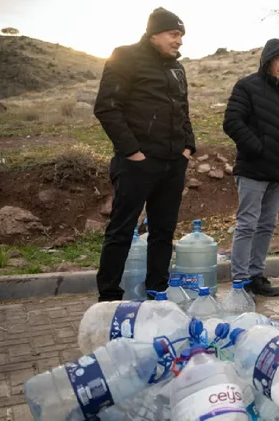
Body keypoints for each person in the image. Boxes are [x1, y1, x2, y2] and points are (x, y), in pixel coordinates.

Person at [93, 7, 194, 301]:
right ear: (154, 34)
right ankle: (109, 297)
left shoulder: (177, 67)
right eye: (174, 34)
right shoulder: (125, 57)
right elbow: (107, 107)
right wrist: (133, 152)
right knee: (121, 230)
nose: (179, 41)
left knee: (163, 233)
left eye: (181, 35)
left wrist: (188, 147)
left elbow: (182, 110)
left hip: (173, 162)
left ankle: (157, 292)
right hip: (138, 164)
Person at [222, 38, 279, 297]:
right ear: (268, 60)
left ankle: (256, 276)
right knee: (247, 224)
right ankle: (240, 281)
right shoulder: (246, 87)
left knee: (266, 225)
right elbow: (232, 122)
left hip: (278, 172)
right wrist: (258, 149)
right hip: (253, 171)